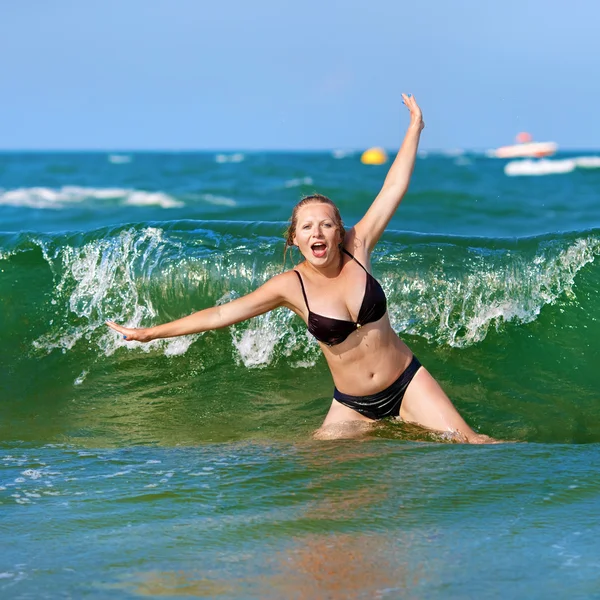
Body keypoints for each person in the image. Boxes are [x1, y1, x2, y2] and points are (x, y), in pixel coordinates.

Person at [106, 94, 496, 443]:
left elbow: (393, 187)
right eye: (307, 227)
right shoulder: (289, 286)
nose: (318, 232)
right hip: (353, 404)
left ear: (338, 230)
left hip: (408, 382)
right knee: (317, 473)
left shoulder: (357, 247)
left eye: (326, 224)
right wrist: (150, 333)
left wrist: (414, 127)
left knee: (475, 445)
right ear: (294, 239)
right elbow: (223, 313)